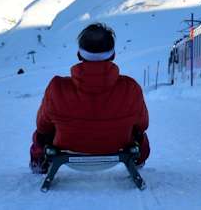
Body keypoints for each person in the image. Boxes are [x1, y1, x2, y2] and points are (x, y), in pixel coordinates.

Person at [29, 23, 150, 172]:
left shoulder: (57, 87)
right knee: (139, 133)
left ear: (79, 55)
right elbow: (142, 125)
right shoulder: (131, 88)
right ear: (112, 55)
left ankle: (40, 164)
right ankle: (137, 162)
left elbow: (42, 126)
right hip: (117, 153)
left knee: (41, 134)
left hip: (67, 154)